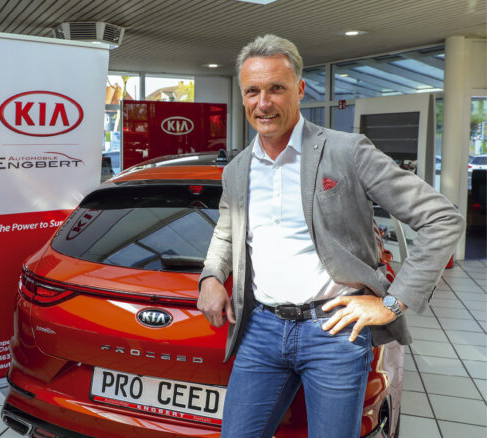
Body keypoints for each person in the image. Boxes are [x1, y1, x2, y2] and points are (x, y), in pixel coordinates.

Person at [197, 34, 465, 438]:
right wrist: (211, 276)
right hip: (261, 330)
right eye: (252, 91)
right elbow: (228, 230)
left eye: (276, 88)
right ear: (243, 95)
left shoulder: (347, 151)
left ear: (300, 90)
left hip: (334, 333)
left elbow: (441, 218)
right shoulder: (237, 169)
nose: (263, 103)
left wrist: (392, 304)